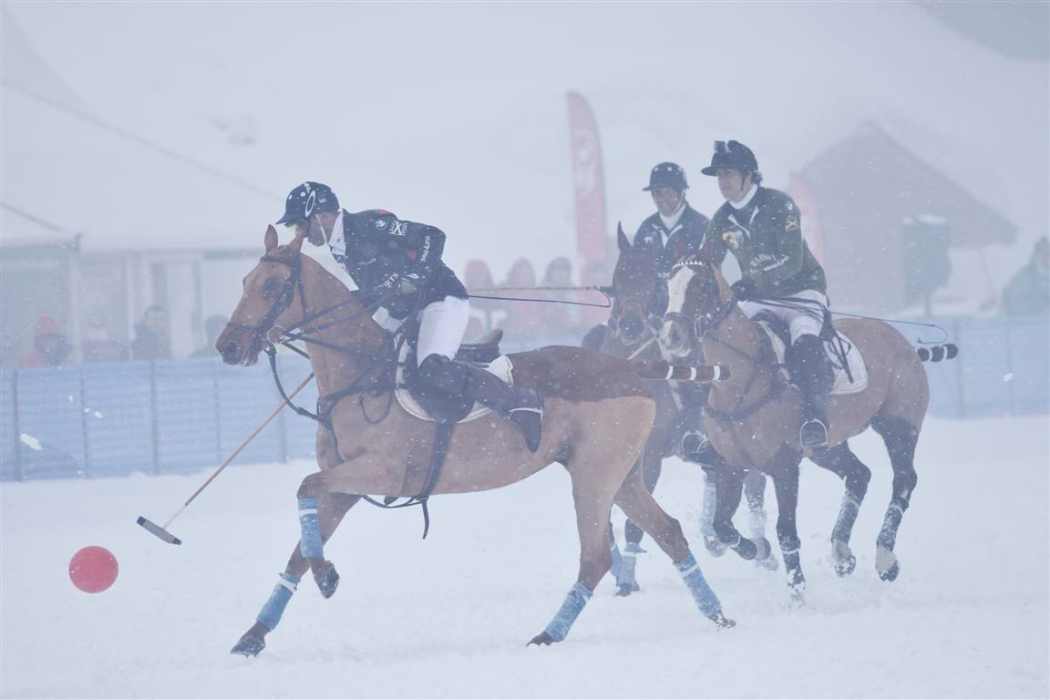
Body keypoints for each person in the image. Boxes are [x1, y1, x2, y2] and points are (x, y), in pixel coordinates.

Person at [276, 182, 542, 451]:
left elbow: (432, 236)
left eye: (299, 226)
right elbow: (374, 292)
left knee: (432, 368)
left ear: (321, 217)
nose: (299, 234)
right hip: (402, 311)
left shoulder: (369, 224)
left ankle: (517, 401)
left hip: (440, 300)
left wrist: (415, 276)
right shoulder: (338, 246)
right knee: (365, 362)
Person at [701, 140, 833, 450]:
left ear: (750, 176)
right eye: (719, 176)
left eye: (730, 174)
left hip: (802, 291)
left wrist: (752, 280)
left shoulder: (780, 204)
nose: (723, 182)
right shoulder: (720, 219)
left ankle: (814, 419)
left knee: (804, 342)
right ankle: (714, 426)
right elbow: (709, 263)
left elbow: (791, 259)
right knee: (724, 341)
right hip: (758, 297)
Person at [634, 162, 711, 284]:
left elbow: (711, 275)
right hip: (652, 301)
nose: (662, 199)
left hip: (689, 299)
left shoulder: (702, 226)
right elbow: (635, 270)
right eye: (657, 192)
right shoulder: (646, 229)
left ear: (681, 193)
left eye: (668, 192)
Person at [1001, 236, 1049, 316]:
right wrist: (1039, 308)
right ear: (1037, 254)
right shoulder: (1026, 275)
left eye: (1048, 253)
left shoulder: (1046, 275)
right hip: (1024, 324)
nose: (1047, 257)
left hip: (1043, 322)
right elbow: (1015, 303)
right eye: (1044, 253)